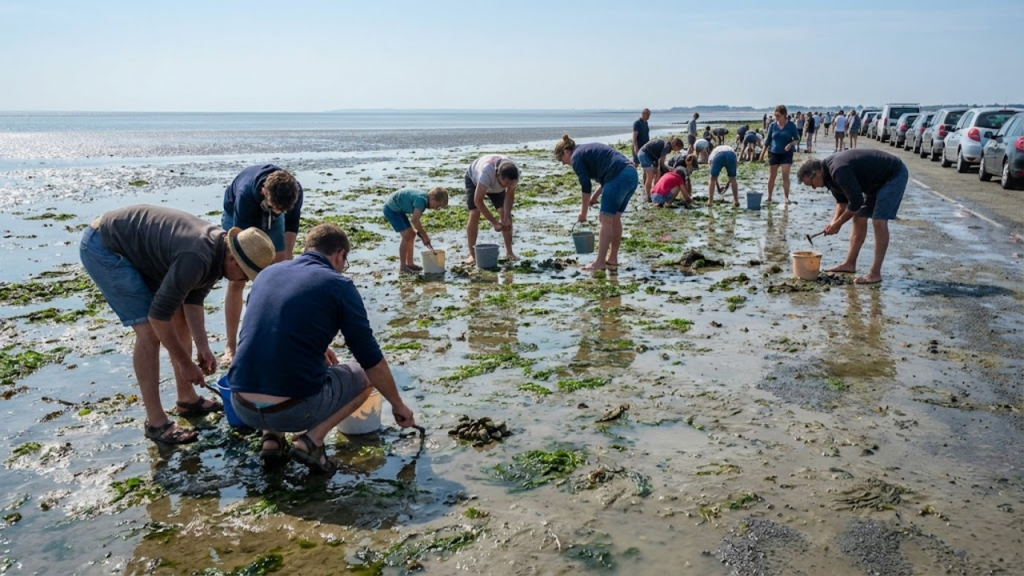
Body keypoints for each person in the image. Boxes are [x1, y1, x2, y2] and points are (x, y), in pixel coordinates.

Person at [228, 223, 418, 471]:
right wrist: (398, 405)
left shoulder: (267, 274)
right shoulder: (339, 286)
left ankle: (272, 439)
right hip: (292, 411)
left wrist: (317, 349)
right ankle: (311, 440)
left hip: (241, 405)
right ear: (339, 255)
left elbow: (268, 333)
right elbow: (371, 360)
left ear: (307, 248)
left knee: (269, 361)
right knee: (363, 377)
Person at [80, 205, 276, 444]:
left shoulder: (218, 254)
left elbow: (192, 300)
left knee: (179, 316)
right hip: (106, 246)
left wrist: (202, 347)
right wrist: (185, 363)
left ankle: (187, 399)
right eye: (245, 274)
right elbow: (158, 316)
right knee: (149, 333)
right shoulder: (197, 257)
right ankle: (156, 423)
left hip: (138, 245)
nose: (243, 280)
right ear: (234, 259)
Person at [220, 165, 303, 367]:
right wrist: (260, 280)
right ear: (264, 190)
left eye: (281, 210)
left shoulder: (294, 193)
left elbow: (291, 226)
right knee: (237, 279)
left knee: (282, 272)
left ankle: (279, 334)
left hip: (274, 207)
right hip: (238, 216)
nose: (277, 212)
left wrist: (285, 266)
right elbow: (242, 247)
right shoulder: (246, 194)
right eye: (276, 208)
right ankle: (231, 346)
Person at [797, 149, 908, 284]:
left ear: (818, 173)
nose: (814, 188)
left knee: (879, 221)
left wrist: (838, 224)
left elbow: (856, 203)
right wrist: (834, 222)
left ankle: (875, 273)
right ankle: (850, 263)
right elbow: (842, 202)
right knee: (859, 217)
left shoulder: (838, 170)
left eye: (812, 183)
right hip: (874, 181)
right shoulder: (828, 176)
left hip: (893, 175)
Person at [554, 134, 638, 272]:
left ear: (566, 151)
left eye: (561, 160)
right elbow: (607, 174)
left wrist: (583, 213)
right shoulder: (585, 150)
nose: (564, 163)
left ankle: (599, 262)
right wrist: (595, 196)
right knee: (614, 219)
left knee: (605, 220)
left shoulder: (576, 158)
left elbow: (585, 186)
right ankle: (612, 258)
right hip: (631, 174)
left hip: (618, 176)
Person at [463, 154, 520, 264]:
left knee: (505, 214)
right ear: (498, 175)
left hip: (496, 186)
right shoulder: (487, 172)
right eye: (506, 183)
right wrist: (494, 222)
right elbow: (478, 201)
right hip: (474, 179)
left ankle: (509, 252)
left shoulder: (515, 174)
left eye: (510, 183)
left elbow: (510, 195)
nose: (508, 186)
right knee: (474, 212)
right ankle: (472, 254)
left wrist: (506, 216)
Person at [383, 187, 449, 274]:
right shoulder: (421, 201)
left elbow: (415, 220)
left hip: (399, 209)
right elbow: (415, 220)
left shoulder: (423, 200)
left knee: (412, 234)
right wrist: (424, 236)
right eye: (437, 205)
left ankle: (410, 263)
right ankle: (403, 266)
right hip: (391, 209)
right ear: (432, 198)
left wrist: (421, 234)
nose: (436, 208)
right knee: (406, 236)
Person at [761, 104, 800, 204]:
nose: (776, 117)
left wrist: (790, 144)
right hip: (774, 153)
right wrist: (762, 154)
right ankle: (769, 197)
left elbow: (797, 140)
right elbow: (768, 140)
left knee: (785, 175)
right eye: (775, 115)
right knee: (772, 175)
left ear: (784, 115)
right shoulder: (772, 125)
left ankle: (786, 198)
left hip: (786, 154)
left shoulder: (791, 126)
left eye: (778, 115)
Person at [637, 137, 685, 202]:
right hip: (644, 154)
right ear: (675, 145)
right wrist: (671, 169)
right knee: (650, 176)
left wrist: (658, 168)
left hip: (652, 157)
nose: (678, 150)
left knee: (658, 173)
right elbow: (662, 163)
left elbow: (659, 160)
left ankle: (654, 192)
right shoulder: (667, 147)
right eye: (678, 148)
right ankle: (648, 196)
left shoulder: (668, 147)